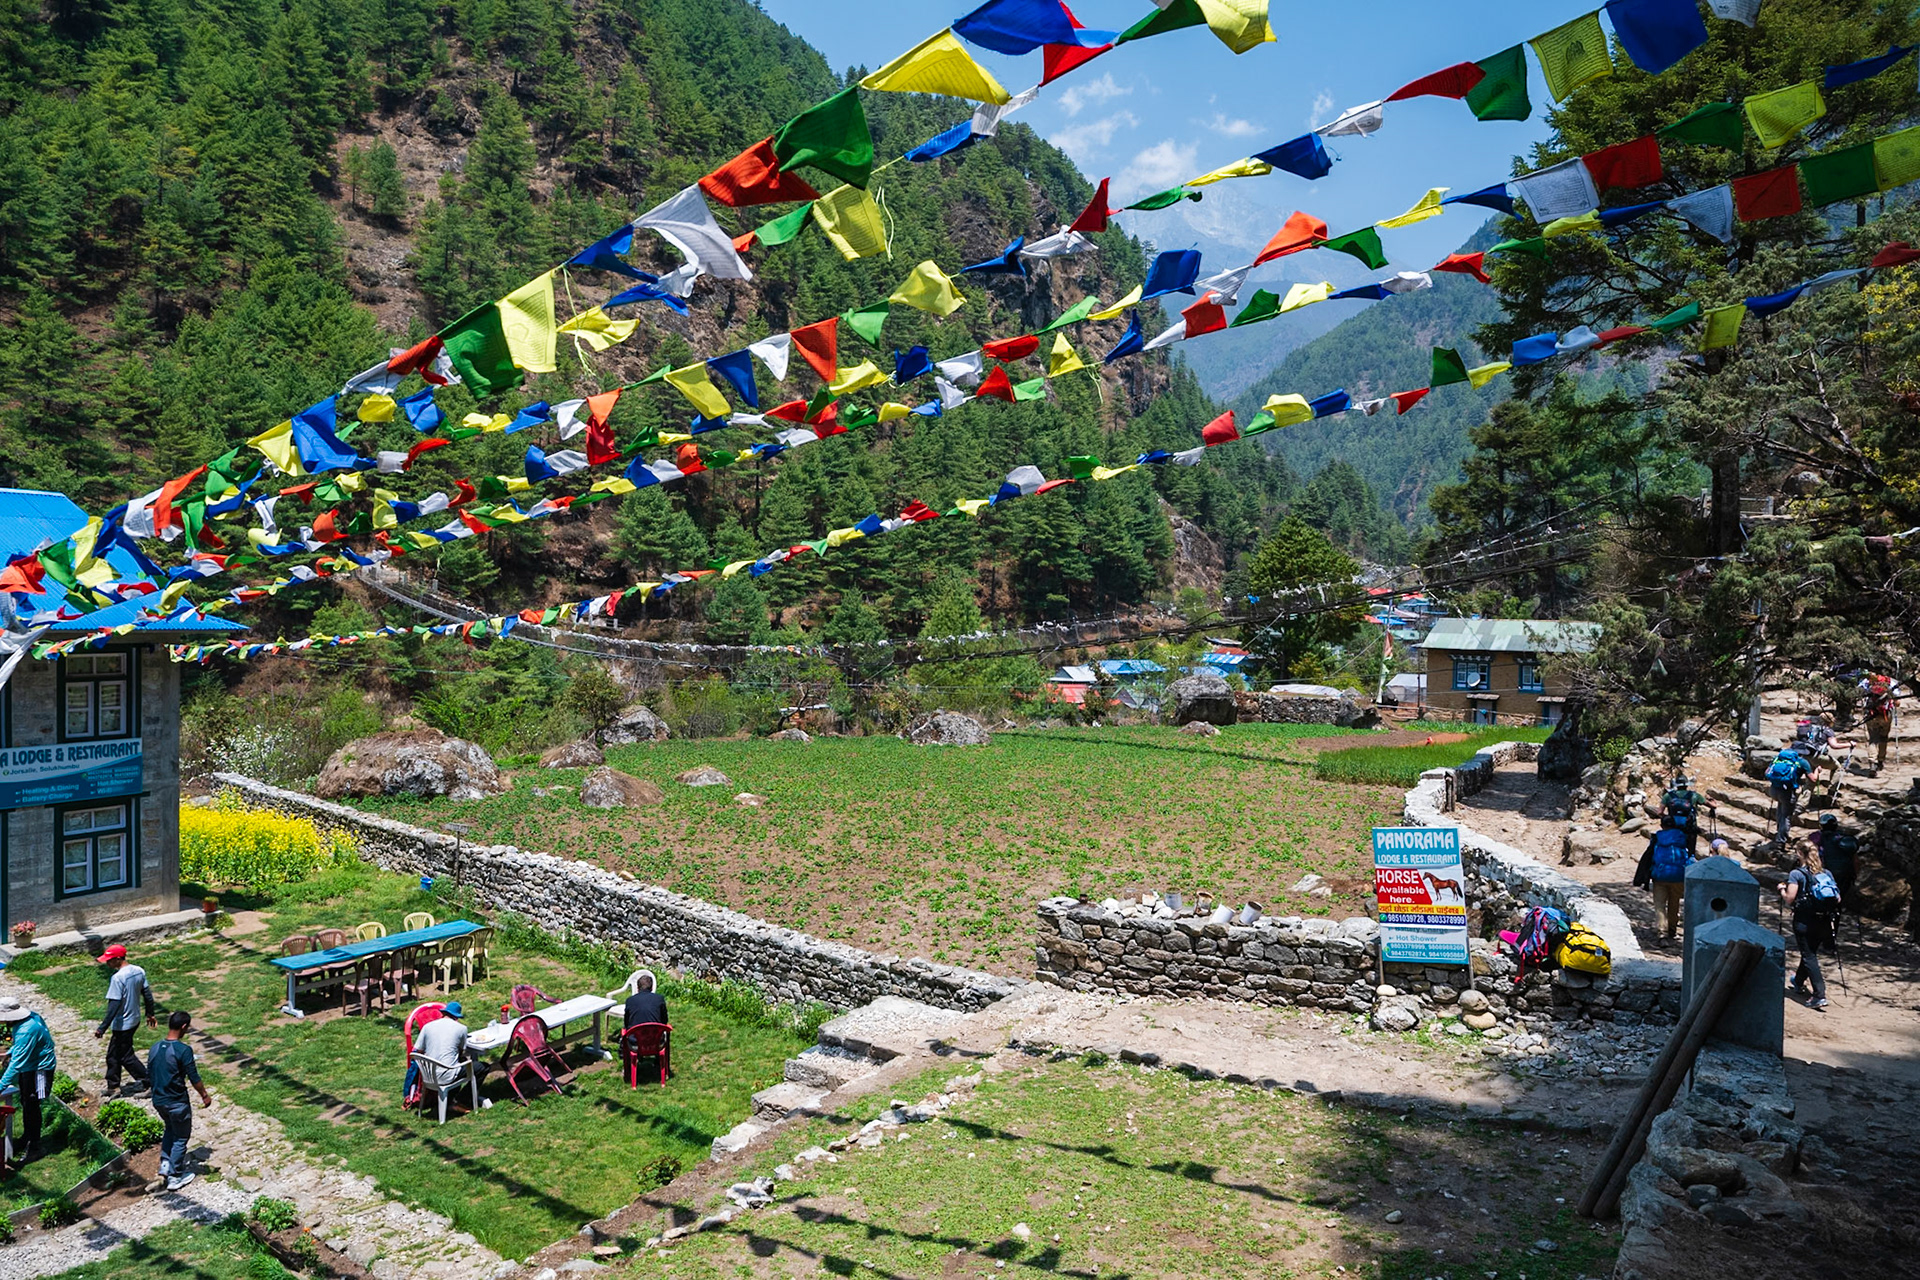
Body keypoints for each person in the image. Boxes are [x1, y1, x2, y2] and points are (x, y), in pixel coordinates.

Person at [147, 1010, 211, 1191]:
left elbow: (149, 1074)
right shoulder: (183, 1050)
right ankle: (175, 1176)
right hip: (177, 1102)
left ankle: (165, 1167)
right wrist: (204, 1095)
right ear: (184, 1027)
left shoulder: (154, 1048)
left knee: (170, 1129)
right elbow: (194, 1077)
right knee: (181, 1137)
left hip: (159, 1100)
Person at [1780, 843, 1843, 1012]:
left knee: (1809, 956)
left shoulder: (1796, 874)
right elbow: (1837, 899)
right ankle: (1798, 982)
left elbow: (1790, 898)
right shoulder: (1826, 873)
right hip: (1823, 921)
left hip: (1804, 921)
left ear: (1800, 853)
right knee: (1810, 953)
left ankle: (1819, 995)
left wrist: (1781, 890)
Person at [95, 944, 157, 1096]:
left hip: (122, 1023)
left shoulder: (118, 978)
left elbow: (114, 1005)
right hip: (134, 1019)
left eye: (109, 960)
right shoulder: (138, 971)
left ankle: (149, 1082)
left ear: (118, 959)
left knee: (125, 1056)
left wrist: (102, 1027)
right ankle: (113, 1086)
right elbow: (147, 994)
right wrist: (150, 1013)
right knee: (113, 1055)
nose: (107, 963)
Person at [0, 996, 56, 1165]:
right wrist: (9, 1053)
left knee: (32, 1104)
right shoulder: (31, 1017)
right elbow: (23, 1048)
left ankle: (36, 1146)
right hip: (30, 1066)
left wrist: (0, 1086)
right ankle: (27, 1137)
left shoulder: (26, 1029)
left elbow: (17, 1064)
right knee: (26, 1102)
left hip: (40, 1069)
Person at [1633, 814, 1693, 941]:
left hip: (1660, 875)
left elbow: (1650, 856)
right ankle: (1672, 930)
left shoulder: (1657, 838)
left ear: (1662, 825)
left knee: (1660, 904)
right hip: (1678, 875)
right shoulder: (1682, 837)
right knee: (1674, 903)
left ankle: (1662, 933)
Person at [1661, 773, 1717, 856]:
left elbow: (1659, 812)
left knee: (1673, 851)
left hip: (1673, 827)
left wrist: (1668, 818)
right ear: (1687, 785)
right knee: (1690, 852)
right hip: (1690, 828)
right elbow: (1713, 806)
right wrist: (1713, 801)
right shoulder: (1694, 795)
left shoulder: (1668, 796)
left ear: (1676, 785)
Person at [1765, 744, 1812, 844]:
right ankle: (1781, 841)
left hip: (1774, 790)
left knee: (1780, 811)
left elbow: (1767, 772)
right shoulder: (1802, 762)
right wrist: (1817, 771)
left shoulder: (1779, 758)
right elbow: (1813, 779)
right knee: (1786, 816)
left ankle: (1779, 832)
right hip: (1787, 792)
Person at [1813, 814, 1860, 910]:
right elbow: (1855, 859)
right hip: (1846, 873)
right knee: (1840, 897)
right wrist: (1855, 874)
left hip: (1826, 872)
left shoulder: (1816, 837)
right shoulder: (1844, 839)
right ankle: (1836, 913)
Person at [414, 1000, 468, 1070]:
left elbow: (419, 1050)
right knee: (482, 1067)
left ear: (443, 1013)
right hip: (449, 1072)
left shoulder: (427, 1026)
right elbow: (461, 1050)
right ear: (456, 1017)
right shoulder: (462, 1028)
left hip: (428, 1073)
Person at [1864, 677, 1896, 773]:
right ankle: (1880, 760)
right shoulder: (1891, 682)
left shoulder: (1868, 680)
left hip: (1872, 714)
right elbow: (1897, 703)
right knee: (1883, 737)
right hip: (1886, 715)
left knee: (1873, 738)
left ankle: (1872, 762)